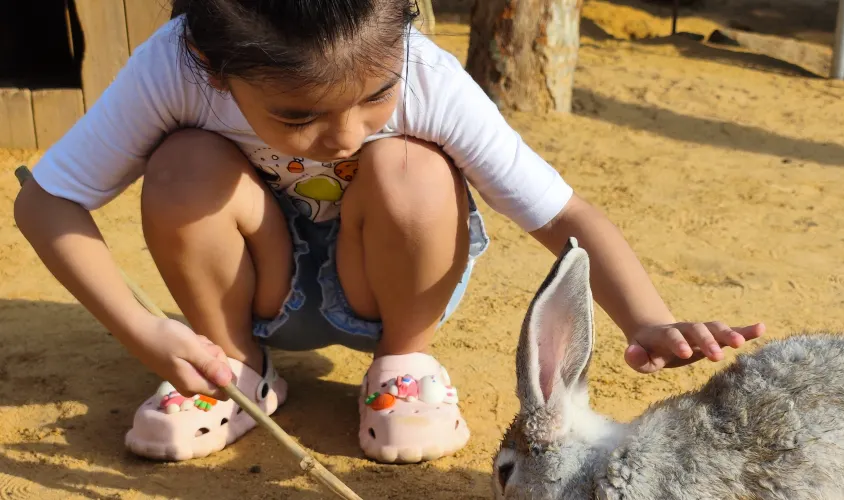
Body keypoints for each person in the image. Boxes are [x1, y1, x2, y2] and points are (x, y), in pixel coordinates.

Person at [13, 0, 765, 464]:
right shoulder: (174, 67)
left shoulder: (427, 73)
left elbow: (562, 214)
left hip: (387, 283)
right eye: (298, 115)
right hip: (254, 286)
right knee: (182, 164)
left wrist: (648, 318)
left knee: (409, 165)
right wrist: (146, 331)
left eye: (376, 95)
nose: (346, 134)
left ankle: (404, 366)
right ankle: (234, 369)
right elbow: (46, 202)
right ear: (212, 66)